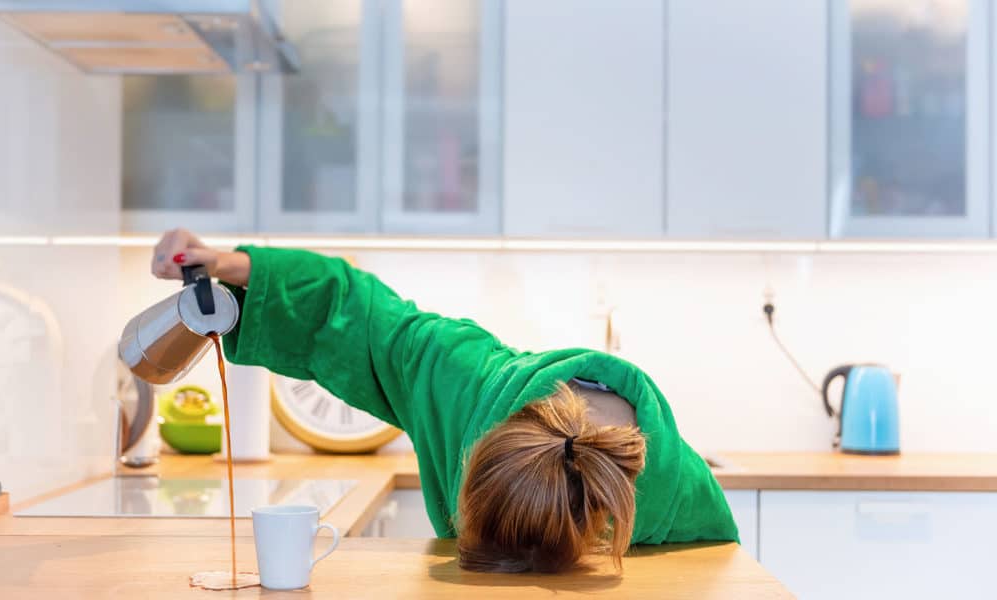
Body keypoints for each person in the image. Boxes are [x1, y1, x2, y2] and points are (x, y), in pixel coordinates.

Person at [152, 229, 738, 573]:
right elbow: (355, 311)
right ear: (474, 448)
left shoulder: (676, 495)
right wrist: (232, 266)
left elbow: (713, 576)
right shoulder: (460, 380)